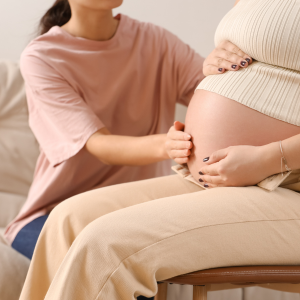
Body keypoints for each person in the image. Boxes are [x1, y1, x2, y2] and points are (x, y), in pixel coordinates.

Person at [4, 0, 249, 260]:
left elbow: (219, 102)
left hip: (132, 215)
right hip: (53, 216)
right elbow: (101, 146)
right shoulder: (43, 56)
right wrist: (166, 145)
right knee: (108, 263)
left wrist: (219, 64)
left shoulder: (156, 41)